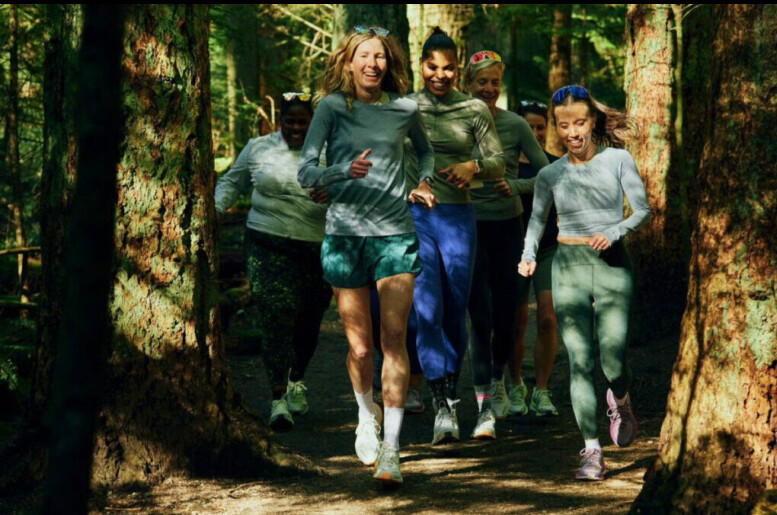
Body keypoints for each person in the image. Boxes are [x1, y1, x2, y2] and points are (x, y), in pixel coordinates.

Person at [298, 26, 435, 486]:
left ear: (388, 63)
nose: (372, 63)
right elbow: (305, 172)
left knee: (393, 339)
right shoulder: (331, 108)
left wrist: (423, 181)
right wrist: (343, 171)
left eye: (380, 56)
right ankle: (365, 414)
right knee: (359, 347)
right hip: (344, 235)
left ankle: (392, 449)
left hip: (395, 234)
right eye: (364, 55)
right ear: (348, 62)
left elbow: (426, 153)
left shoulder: (405, 109)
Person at [518, 85, 651, 480]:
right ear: (556, 128)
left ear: (593, 121)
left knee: (613, 361)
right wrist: (528, 254)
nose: (572, 132)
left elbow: (642, 210)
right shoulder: (550, 173)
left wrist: (614, 231)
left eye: (579, 123)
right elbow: (538, 219)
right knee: (580, 361)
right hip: (569, 267)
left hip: (611, 265)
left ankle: (620, 397)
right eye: (564, 126)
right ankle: (592, 450)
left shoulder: (618, 160)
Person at [406, 28, 505, 445]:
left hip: (459, 217)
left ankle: (452, 392)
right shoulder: (404, 106)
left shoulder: (473, 109)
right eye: (432, 67)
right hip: (416, 216)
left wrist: (473, 167)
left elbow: (499, 162)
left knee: (454, 309)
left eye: (448, 68)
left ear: (457, 68)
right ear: (421, 65)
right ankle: (441, 405)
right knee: (427, 308)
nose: (440, 75)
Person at [214, 92, 331, 431]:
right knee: (277, 312)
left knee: (309, 319)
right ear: (279, 121)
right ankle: (278, 397)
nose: (296, 128)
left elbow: (351, 189)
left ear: (313, 123)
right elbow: (232, 181)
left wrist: (334, 193)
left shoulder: (330, 151)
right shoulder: (258, 147)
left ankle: (296, 379)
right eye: (290, 122)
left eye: (303, 122)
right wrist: (216, 208)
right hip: (266, 241)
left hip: (316, 246)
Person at [463, 51, 549, 438]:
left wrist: (515, 185)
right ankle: (485, 396)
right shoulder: (456, 123)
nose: (488, 88)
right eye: (481, 82)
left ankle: (497, 376)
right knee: (480, 315)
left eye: (494, 82)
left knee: (507, 314)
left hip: (508, 227)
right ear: (468, 84)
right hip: (468, 227)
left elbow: (547, 172)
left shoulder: (515, 125)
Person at [508, 100, 562, 418]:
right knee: (517, 321)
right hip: (514, 250)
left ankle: (541, 390)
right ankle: (515, 384)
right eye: (529, 127)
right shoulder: (507, 166)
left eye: (540, 127)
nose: (536, 132)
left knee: (547, 318)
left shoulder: (555, 165)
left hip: (548, 249)